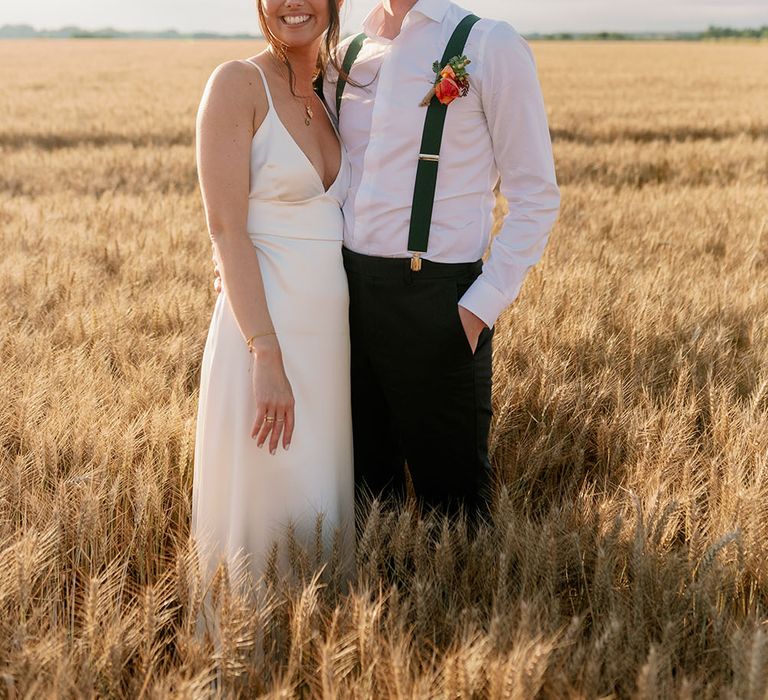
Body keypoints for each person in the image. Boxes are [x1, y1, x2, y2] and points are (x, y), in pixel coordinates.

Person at [212, 0, 560, 528]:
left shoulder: (491, 45)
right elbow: (296, 176)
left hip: (438, 300)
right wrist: (238, 253)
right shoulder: (349, 54)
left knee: (455, 508)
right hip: (346, 304)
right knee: (370, 502)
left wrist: (476, 310)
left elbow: (536, 197)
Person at [191, 0, 355, 623]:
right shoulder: (237, 83)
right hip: (265, 343)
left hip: (328, 349)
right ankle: (244, 664)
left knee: (316, 508)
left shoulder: (339, 91)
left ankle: (317, 663)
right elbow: (228, 230)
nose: (295, 3)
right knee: (264, 515)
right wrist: (264, 350)